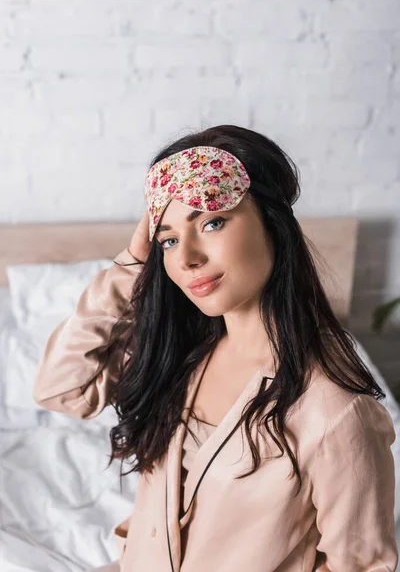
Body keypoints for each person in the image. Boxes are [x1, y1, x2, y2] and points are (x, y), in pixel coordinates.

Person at [33, 125, 398, 572]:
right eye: (167, 239)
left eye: (211, 221)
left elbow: (361, 567)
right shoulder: (182, 356)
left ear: (272, 224)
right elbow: (59, 389)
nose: (186, 257)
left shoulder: (334, 411)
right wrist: (131, 265)